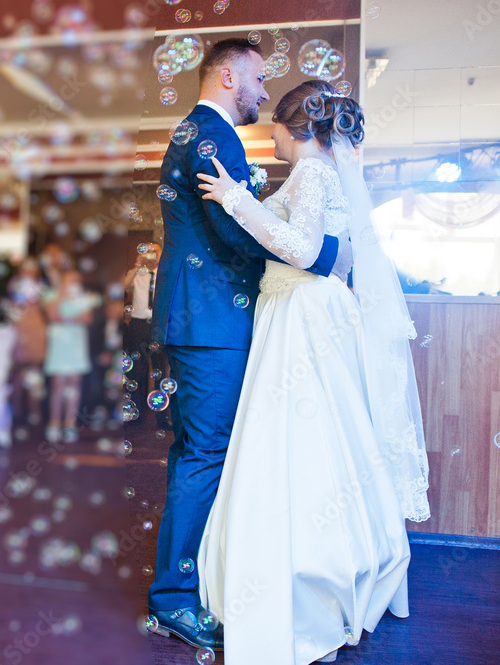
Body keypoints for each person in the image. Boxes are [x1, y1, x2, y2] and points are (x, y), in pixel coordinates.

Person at [195, 81, 431, 663]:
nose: (267, 136)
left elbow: (303, 250)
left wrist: (234, 198)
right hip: (306, 311)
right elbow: (333, 253)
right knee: (325, 440)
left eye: (272, 126)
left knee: (298, 444)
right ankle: (331, 568)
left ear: (292, 127)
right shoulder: (321, 174)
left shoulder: (313, 173)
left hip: (299, 315)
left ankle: (305, 587)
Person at [146, 38, 353, 652]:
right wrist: (324, 255)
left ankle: (197, 583)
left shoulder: (207, 135)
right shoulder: (210, 136)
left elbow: (237, 223)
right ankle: (175, 600)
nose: (264, 93)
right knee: (205, 454)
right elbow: (236, 234)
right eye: (259, 79)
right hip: (209, 324)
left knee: (207, 453)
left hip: (212, 320)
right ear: (228, 74)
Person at [42, 269, 99, 444]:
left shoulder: (83, 297)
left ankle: (69, 424)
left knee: (75, 382)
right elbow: (52, 315)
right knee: (58, 383)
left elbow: (87, 319)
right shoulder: (51, 294)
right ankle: (54, 423)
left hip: (76, 343)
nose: (73, 283)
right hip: (59, 343)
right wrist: (61, 294)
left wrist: (65, 319)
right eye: (69, 280)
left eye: (76, 280)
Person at [122, 241, 169, 428]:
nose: (151, 255)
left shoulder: (165, 273)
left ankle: (162, 419)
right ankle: (136, 414)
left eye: (154, 252)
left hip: (158, 325)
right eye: (148, 252)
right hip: (138, 325)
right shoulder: (137, 273)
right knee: (137, 370)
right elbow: (123, 286)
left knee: (160, 371)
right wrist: (136, 265)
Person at [7, 257, 48, 427]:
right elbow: (15, 303)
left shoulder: (41, 286)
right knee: (18, 372)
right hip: (20, 328)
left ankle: (34, 411)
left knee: (35, 373)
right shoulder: (16, 285)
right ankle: (17, 410)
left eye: (32, 269)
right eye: (26, 269)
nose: (29, 272)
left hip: (36, 330)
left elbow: (45, 303)